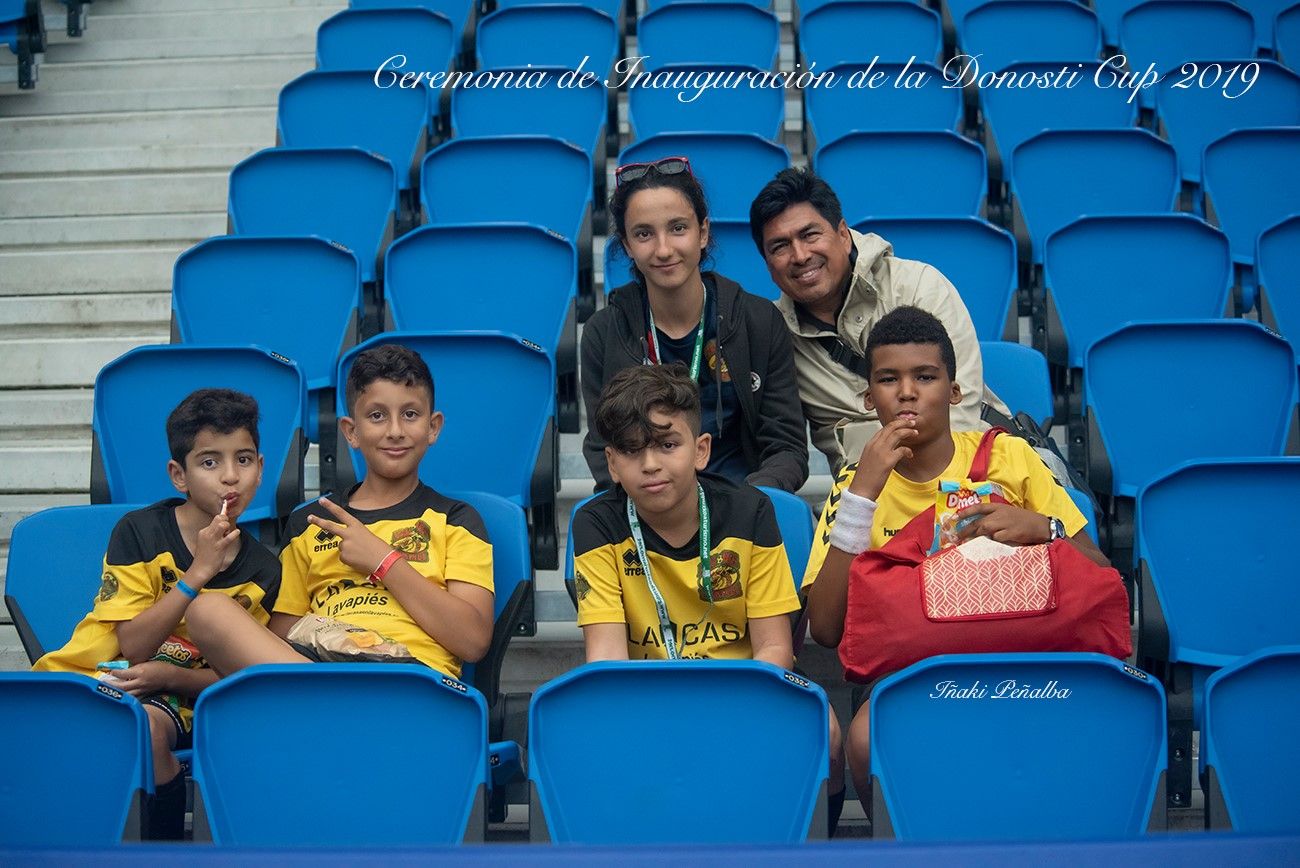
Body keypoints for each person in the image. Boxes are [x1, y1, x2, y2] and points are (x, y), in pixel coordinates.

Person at [800, 306, 1108, 810]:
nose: (907, 392)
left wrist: (1043, 529)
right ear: (868, 397)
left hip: (1026, 665)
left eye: (925, 377)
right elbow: (828, 628)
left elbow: (1101, 573)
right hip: (911, 679)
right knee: (864, 740)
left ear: (955, 391)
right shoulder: (855, 485)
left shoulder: (1009, 456)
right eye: (888, 379)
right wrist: (864, 495)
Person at [573, 363, 846, 834]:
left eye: (667, 444)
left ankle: (806, 846)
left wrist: (724, 712)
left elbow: (774, 649)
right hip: (645, 693)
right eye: (632, 451)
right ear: (612, 464)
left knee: (828, 730)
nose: (650, 464)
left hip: (744, 686)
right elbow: (606, 660)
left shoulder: (750, 510)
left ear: (700, 450)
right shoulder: (595, 524)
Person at [33, 388, 282, 839]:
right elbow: (133, 645)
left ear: (261, 469)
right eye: (210, 462)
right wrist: (198, 573)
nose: (231, 476)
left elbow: (240, 675)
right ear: (178, 475)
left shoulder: (265, 569)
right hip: (93, 678)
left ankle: (162, 849)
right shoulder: (140, 532)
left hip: (181, 701)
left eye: (244, 460)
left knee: (143, 726)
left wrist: (170, 677)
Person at [185, 344, 494, 682]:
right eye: (377, 416)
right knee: (207, 610)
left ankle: (340, 699)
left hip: (411, 681)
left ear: (433, 427)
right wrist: (344, 640)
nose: (395, 431)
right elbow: (283, 632)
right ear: (351, 432)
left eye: (410, 414)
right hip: (320, 670)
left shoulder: (456, 520)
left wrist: (383, 561)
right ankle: (336, 694)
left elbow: (473, 641)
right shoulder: (310, 522)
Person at [749, 167, 1007, 473]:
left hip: (969, 477)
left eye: (810, 235)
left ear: (843, 235)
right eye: (780, 246)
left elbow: (961, 414)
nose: (800, 255)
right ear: (767, 263)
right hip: (866, 491)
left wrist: (929, 493)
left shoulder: (917, 286)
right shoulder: (773, 334)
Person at [581, 155, 808, 493]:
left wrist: (745, 504)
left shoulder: (758, 321)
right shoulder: (604, 332)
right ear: (627, 245)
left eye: (678, 228)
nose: (663, 249)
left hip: (742, 504)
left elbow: (786, 447)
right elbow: (605, 449)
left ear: (702, 232)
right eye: (644, 234)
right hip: (648, 502)